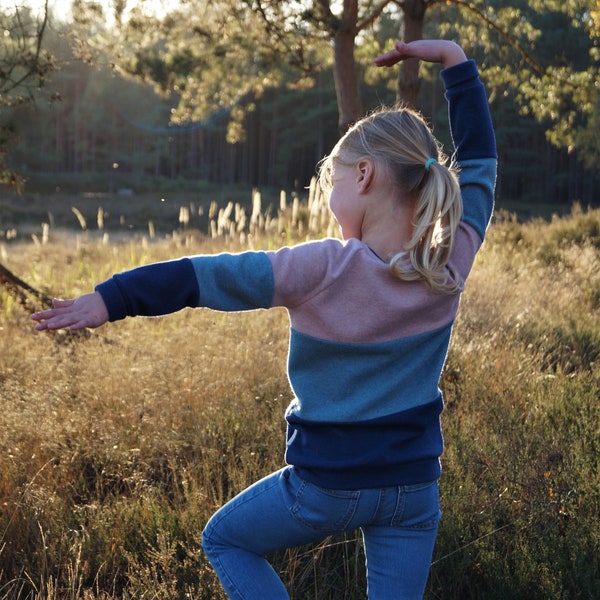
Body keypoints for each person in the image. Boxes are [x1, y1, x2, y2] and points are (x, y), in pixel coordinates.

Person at [32, 39, 497, 600]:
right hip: (414, 491)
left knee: (225, 540)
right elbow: (479, 166)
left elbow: (202, 276)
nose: (329, 196)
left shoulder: (321, 267)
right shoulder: (450, 261)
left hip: (325, 487)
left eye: (336, 180)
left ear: (367, 176)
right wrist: (454, 62)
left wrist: (111, 298)